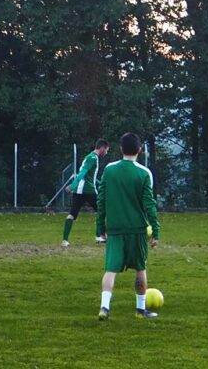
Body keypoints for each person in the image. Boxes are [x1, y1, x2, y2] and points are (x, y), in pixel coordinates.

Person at [96, 133, 161, 320]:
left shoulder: (109, 170)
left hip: (115, 228)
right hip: (137, 229)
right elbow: (149, 204)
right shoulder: (144, 173)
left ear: (120, 149)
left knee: (110, 269)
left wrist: (100, 227)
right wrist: (155, 231)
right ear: (139, 150)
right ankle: (141, 310)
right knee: (140, 268)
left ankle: (104, 308)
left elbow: (101, 201)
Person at [61, 139, 110, 247]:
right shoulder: (93, 158)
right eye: (106, 150)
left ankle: (64, 240)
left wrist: (101, 183)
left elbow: (89, 176)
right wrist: (72, 185)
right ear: (102, 148)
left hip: (79, 191)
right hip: (88, 190)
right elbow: (82, 173)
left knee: (72, 214)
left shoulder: (89, 156)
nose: (106, 153)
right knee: (102, 211)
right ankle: (100, 236)